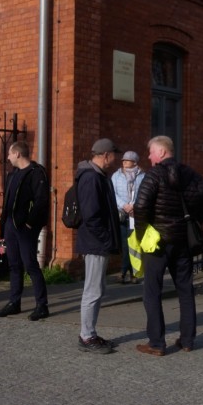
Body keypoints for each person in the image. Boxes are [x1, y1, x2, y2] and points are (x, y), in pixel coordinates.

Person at [134, 135, 203, 356]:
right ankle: (187, 340)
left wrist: (142, 235)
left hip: (158, 242)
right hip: (183, 241)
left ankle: (156, 343)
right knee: (185, 289)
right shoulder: (191, 175)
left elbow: (140, 207)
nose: (148, 156)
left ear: (162, 152)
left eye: (151, 152)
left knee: (152, 291)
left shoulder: (154, 175)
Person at [75, 138, 123, 354]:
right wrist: (106, 240)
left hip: (97, 242)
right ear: (105, 155)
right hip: (95, 243)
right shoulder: (91, 178)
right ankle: (86, 336)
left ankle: (90, 333)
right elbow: (91, 216)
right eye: (114, 155)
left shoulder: (97, 176)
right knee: (92, 291)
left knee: (97, 289)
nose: (116, 159)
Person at [0, 141, 51, 321]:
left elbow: (41, 200)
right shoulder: (13, 175)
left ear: (17, 154)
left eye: (10, 154)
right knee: (14, 265)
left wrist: (29, 223)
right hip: (11, 225)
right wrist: (3, 228)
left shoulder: (36, 173)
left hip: (25, 227)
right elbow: (7, 204)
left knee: (30, 265)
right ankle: (14, 303)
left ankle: (42, 306)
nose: (8, 157)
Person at [111, 150, 145, 284]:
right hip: (122, 214)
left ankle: (125, 272)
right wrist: (124, 205)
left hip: (135, 215)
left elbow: (143, 194)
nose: (124, 162)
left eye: (127, 160)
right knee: (124, 244)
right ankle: (132, 273)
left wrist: (134, 206)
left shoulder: (142, 176)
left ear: (135, 162)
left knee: (133, 244)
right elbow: (113, 193)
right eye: (123, 160)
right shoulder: (116, 176)